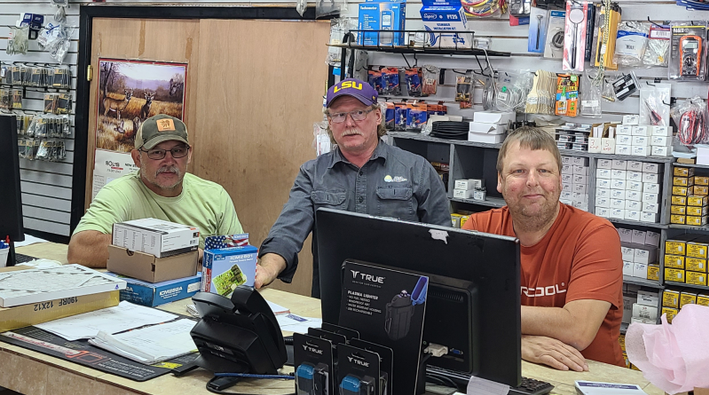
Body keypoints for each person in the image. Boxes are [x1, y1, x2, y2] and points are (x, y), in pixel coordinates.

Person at [256, 78, 451, 296]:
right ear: (330, 122)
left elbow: (444, 241)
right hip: (333, 301)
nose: (349, 123)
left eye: (359, 112)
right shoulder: (313, 174)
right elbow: (287, 232)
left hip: (402, 300)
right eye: (339, 115)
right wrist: (266, 270)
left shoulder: (417, 169)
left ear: (377, 116)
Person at [462, 126, 624, 371]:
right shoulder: (479, 228)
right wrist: (519, 343)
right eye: (518, 171)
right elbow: (456, 312)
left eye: (544, 171)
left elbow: (577, 329)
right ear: (500, 180)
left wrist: (491, 321)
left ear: (559, 181)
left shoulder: (595, 234)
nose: (532, 181)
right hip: (510, 367)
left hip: (587, 379)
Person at [68, 114, 243, 268]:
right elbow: (80, 249)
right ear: (137, 158)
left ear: (189, 154)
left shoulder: (214, 196)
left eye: (177, 151)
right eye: (157, 152)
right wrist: (179, 250)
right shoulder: (120, 192)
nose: (169, 160)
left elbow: (241, 260)